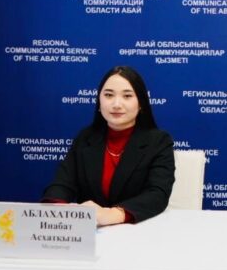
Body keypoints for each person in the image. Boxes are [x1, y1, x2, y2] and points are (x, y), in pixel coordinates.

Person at [43, 66, 175, 225]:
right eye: (108, 95)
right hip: (90, 231)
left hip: (137, 230)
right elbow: (62, 184)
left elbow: (157, 194)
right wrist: (56, 210)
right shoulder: (85, 138)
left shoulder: (159, 141)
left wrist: (112, 215)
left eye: (127, 96)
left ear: (141, 103)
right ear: (99, 102)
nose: (116, 104)